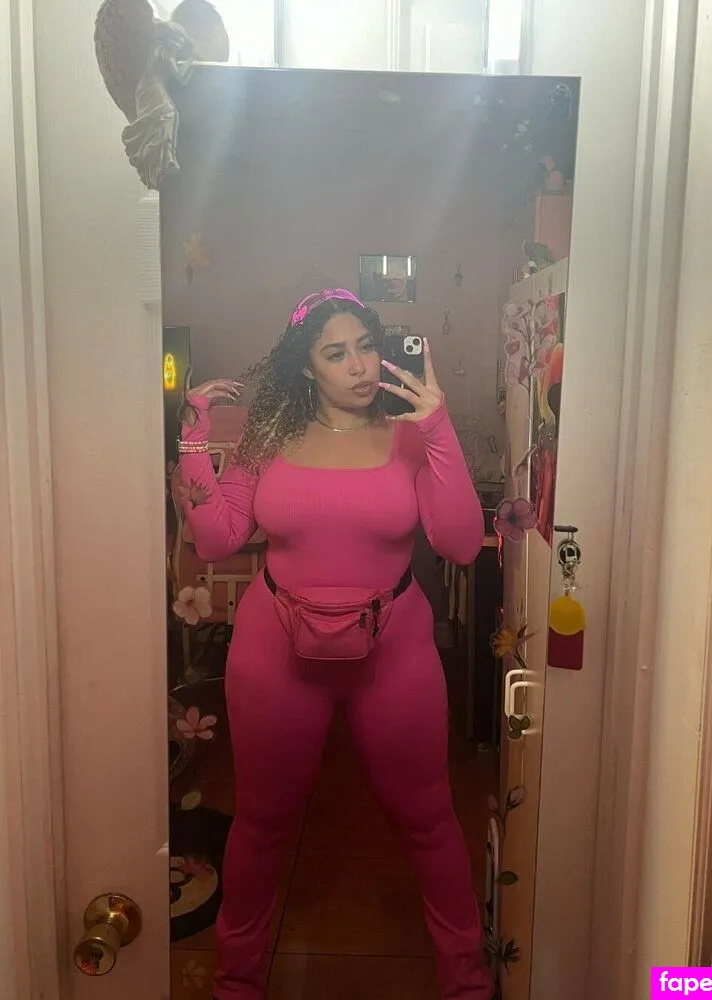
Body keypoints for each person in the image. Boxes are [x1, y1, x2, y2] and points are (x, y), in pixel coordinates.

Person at [176, 288, 493, 1000]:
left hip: (396, 651)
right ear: (306, 367)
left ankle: (467, 980)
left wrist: (438, 426)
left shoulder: (411, 435)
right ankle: (235, 982)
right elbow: (217, 538)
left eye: (366, 347)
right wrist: (193, 436)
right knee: (261, 824)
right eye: (336, 352)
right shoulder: (268, 438)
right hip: (274, 652)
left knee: (429, 819)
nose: (358, 366)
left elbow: (461, 544)